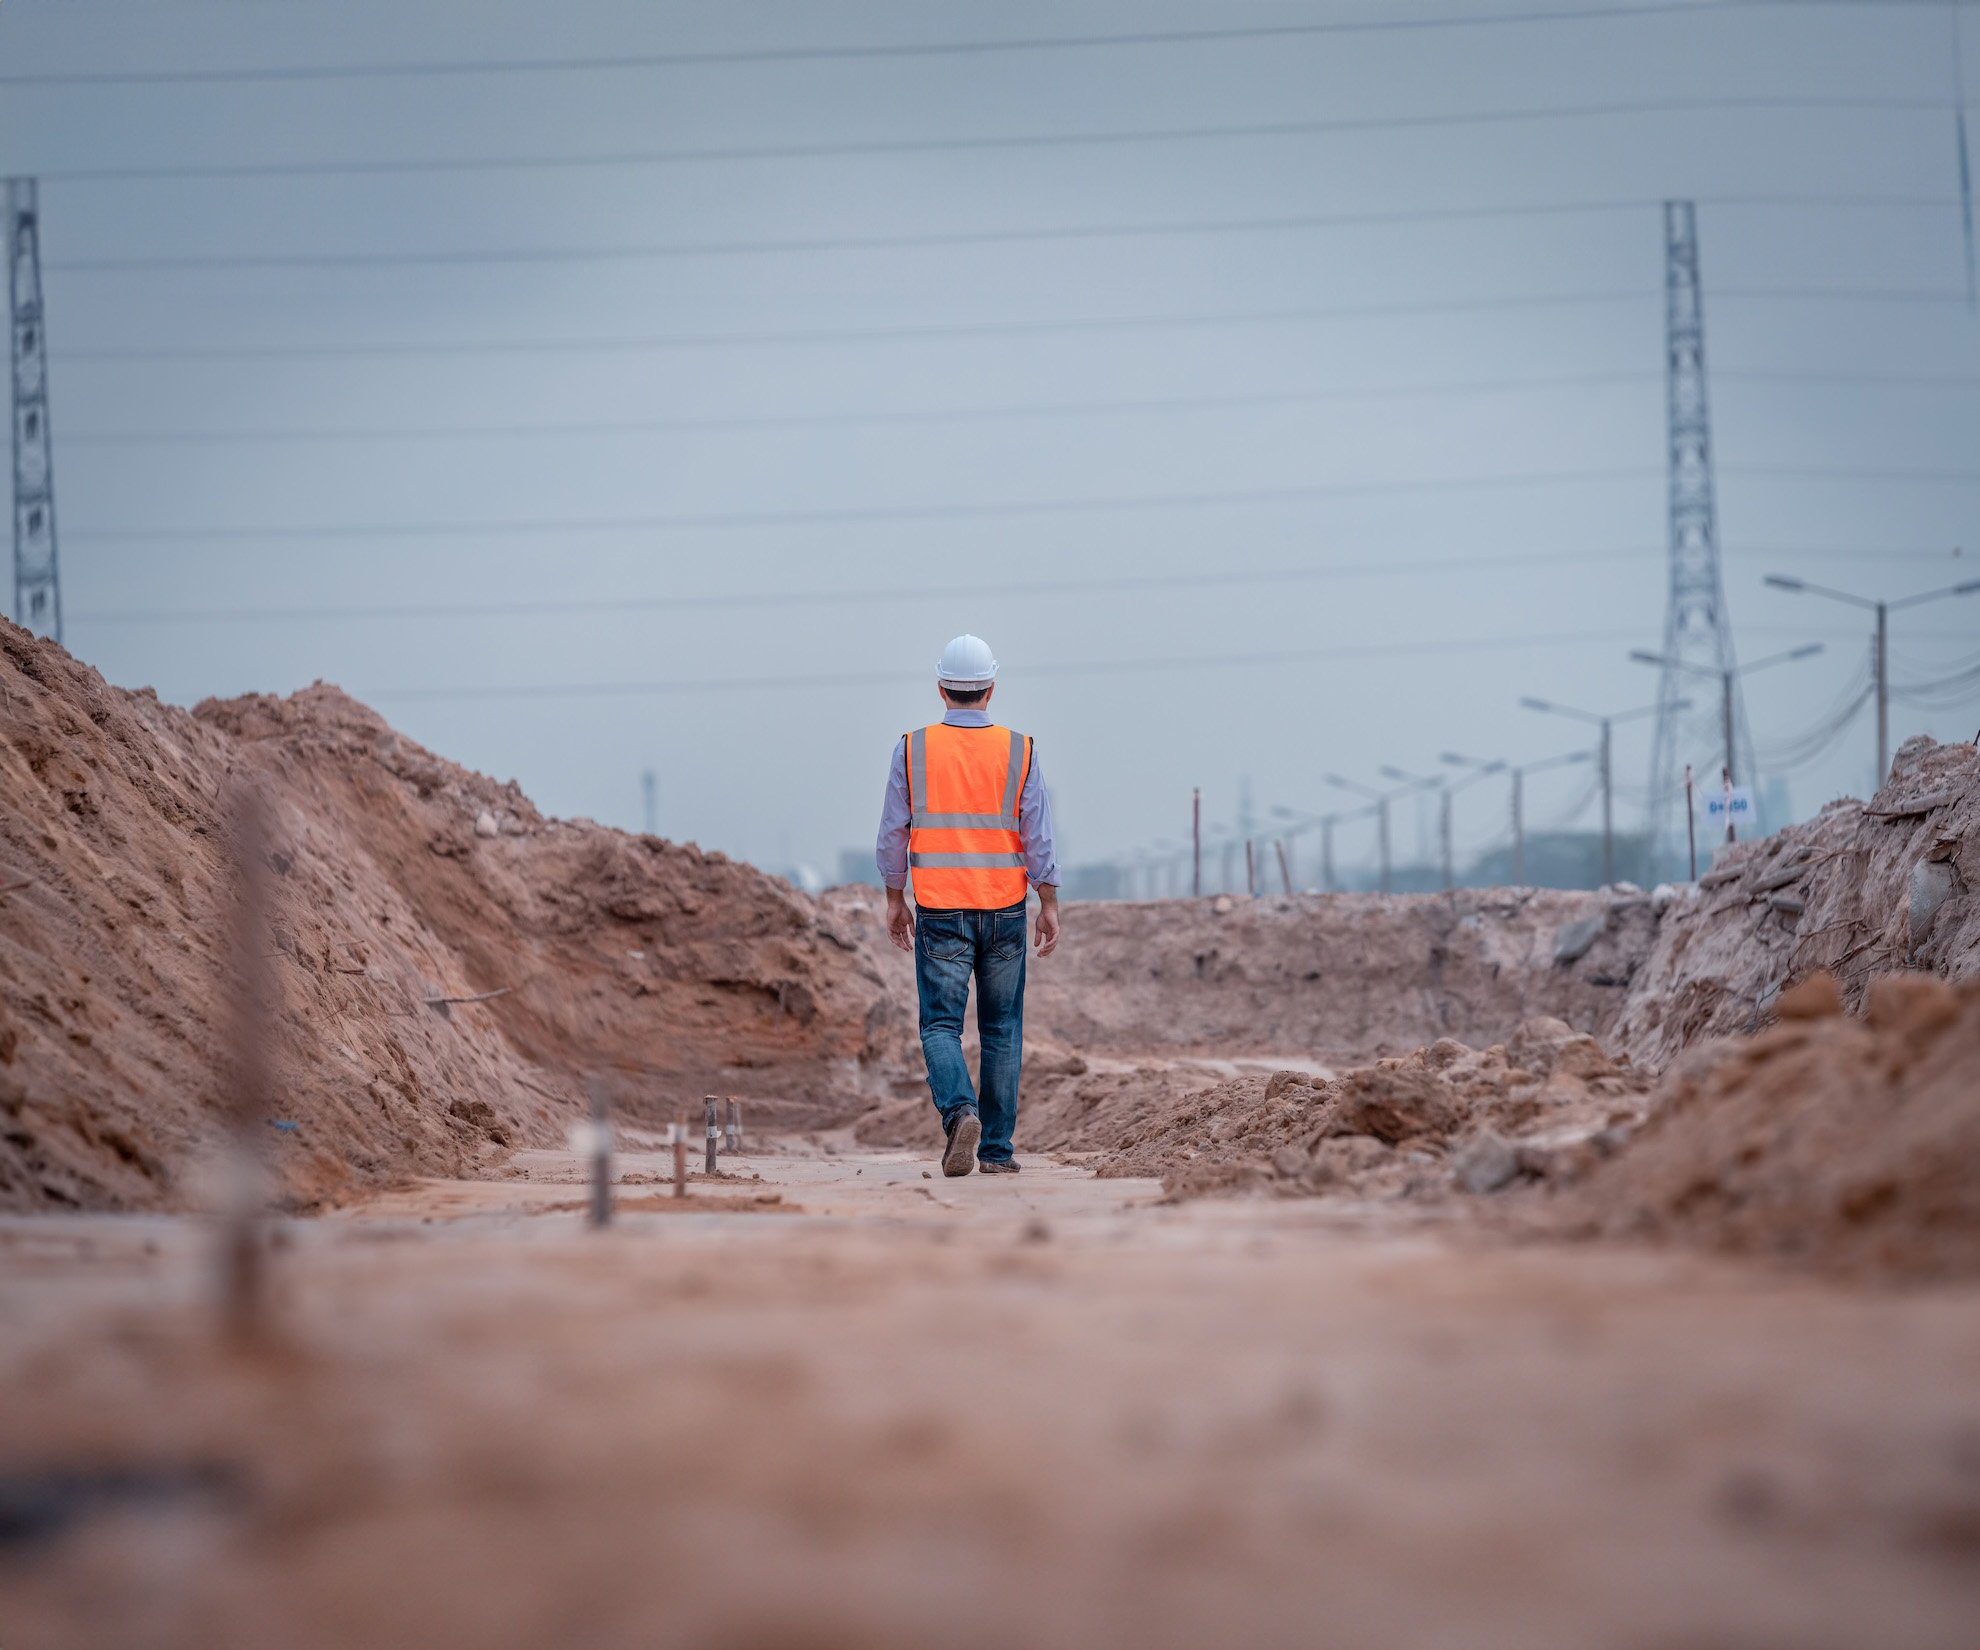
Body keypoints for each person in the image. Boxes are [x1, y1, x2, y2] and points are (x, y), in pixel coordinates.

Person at [876, 634, 1060, 1176]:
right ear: (990, 689)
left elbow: (893, 834)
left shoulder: (912, 749)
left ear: (941, 688)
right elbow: (1039, 838)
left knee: (940, 1027)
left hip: (939, 909)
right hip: (1005, 909)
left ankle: (960, 1114)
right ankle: (998, 1154)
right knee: (1002, 1032)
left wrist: (894, 896)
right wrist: (1047, 901)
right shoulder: (1019, 750)